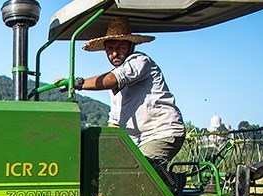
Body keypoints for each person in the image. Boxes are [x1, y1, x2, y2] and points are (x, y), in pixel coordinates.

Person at [69, 17, 186, 186]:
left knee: (138, 177)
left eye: (120, 47)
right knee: (113, 173)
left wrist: (77, 83)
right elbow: (115, 123)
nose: (115, 53)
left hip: (161, 132)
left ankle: (174, 183)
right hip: (138, 141)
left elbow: (113, 79)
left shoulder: (139, 61)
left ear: (130, 47)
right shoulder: (116, 88)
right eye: (110, 48)